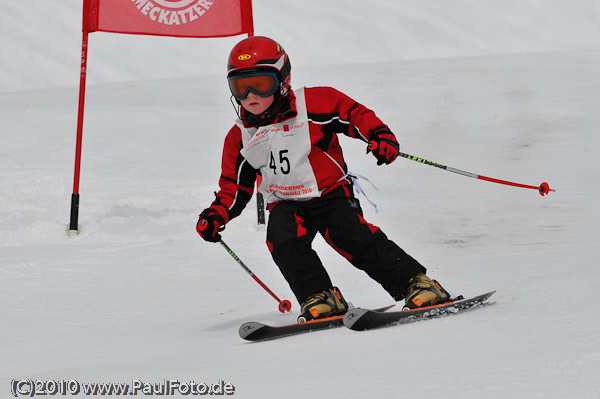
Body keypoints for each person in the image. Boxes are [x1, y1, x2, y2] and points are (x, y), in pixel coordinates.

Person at [196, 36, 450, 321]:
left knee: (351, 236)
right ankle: (320, 296)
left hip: (330, 192)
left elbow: (354, 115)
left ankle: (417, 284)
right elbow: (234, 186)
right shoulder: (240, 136)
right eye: (240, 88)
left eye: (261, 84)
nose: (250, 95)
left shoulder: (312, 103)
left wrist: (380, 136)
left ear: (282, 80)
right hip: (284, 201)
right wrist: (217, 214)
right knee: (282, 240)